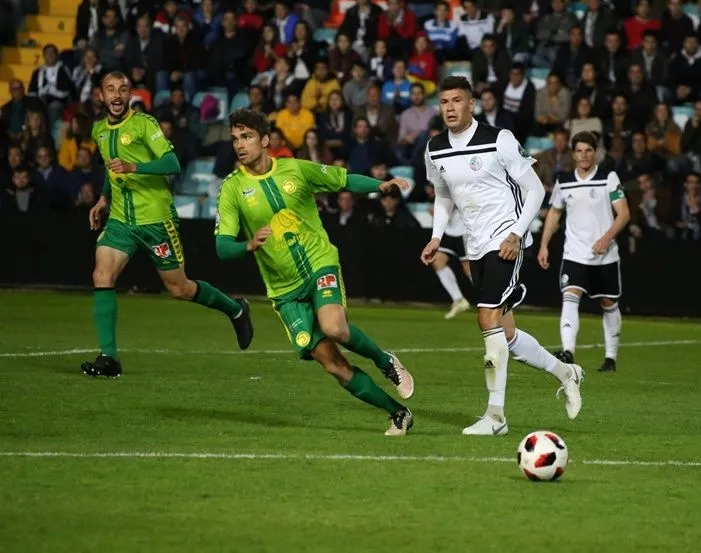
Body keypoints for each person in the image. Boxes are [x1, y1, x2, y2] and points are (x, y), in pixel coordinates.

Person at [215, 108, 416, 436]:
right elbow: (222, 247)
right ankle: (398, 413)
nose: (240, 144)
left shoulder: (296, 169)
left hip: (318, 262)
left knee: (334, 327)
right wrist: (247, 245)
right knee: (333, 364)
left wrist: (382, 185)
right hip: (284, 290)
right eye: (235, 138)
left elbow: (343, 179)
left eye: (247, 137)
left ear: (265, 140)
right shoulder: (232, 189)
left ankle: (386, 362)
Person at [421, 76, 584, 437]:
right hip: (474, 246)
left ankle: (495, 417)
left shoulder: (499, 140)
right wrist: (435, 237)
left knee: (486, 317)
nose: (450, 108)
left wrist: (517, 233)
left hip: (506, 241)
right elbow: (444, 195)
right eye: (444, 102)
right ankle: (566, 373)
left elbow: (535, 190)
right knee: (504, 333)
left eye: (457, 100)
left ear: (472, 104)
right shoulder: (434, 148)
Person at [83, 72, 253, 378]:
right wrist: (103, 199)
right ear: (101, 96)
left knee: (179, 288)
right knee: (102, 274)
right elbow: (112, 171)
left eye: (122, 89)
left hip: (156, 219)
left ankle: (235, 308)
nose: (117, 95)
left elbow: (172, 164)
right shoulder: (99, 131)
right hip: (121, 219)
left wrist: (135, 166)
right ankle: (108, 357)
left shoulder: (144, 124)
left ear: (130, 93)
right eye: (110, 90)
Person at [537, 132, 630, 373]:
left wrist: (606, 238)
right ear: (573, 153)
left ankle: (610, 358)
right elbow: (555, 213)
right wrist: (544, 244)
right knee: (570, 295)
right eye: (579, 151)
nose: (583, 155)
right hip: (574, 253)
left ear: (595, 152)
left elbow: (624, 214)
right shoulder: (564, 180)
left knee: (608, 303)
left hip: (605, 256)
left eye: (588, 150)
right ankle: (568, 352)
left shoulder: (608, 178)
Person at [432, 207, 471, 320]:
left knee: (469, 268)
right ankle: (458, 300)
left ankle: (493, 300)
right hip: (449, 229)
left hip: (464, 229)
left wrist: (442, 210)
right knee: (437, 260)